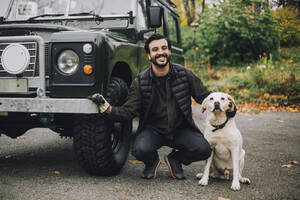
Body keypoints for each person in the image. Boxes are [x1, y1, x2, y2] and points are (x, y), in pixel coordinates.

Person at [90, 33, 212, 180]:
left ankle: (175, 160)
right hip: (153, 130)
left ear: (169, 51)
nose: (160, 52)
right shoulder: (140, 81)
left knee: (204, 149)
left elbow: (206, 97)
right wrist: (107, 108)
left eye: (164, 48)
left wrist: (226, 105)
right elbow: (128, 111)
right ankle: (152, 162)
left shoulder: (185, 75)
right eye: (155, 49)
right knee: (139, 149)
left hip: (181, 129)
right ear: (149, 55)